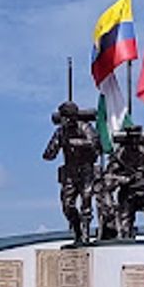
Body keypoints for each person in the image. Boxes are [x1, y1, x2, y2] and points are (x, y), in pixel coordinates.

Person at [43, 101, 100, 244]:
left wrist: (77, 143)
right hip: (70, 172)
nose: (64, 120)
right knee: (67, 205)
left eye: (66, 117)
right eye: (62, 117)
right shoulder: (61, 132)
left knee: (86, 201)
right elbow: (49, 154)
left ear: (72, 117)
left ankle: (85, 235)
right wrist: (53, 148)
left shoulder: (85, 127)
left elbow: (95, 145)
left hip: (86, 170)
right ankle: (77, 231)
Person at [105, 125, 144, 239]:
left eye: (136, 138)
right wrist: (124, 179)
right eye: (131, 138)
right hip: (127, 194)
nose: (134, 141)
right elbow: (108, 176)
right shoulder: (120, 154)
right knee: (125, 228)